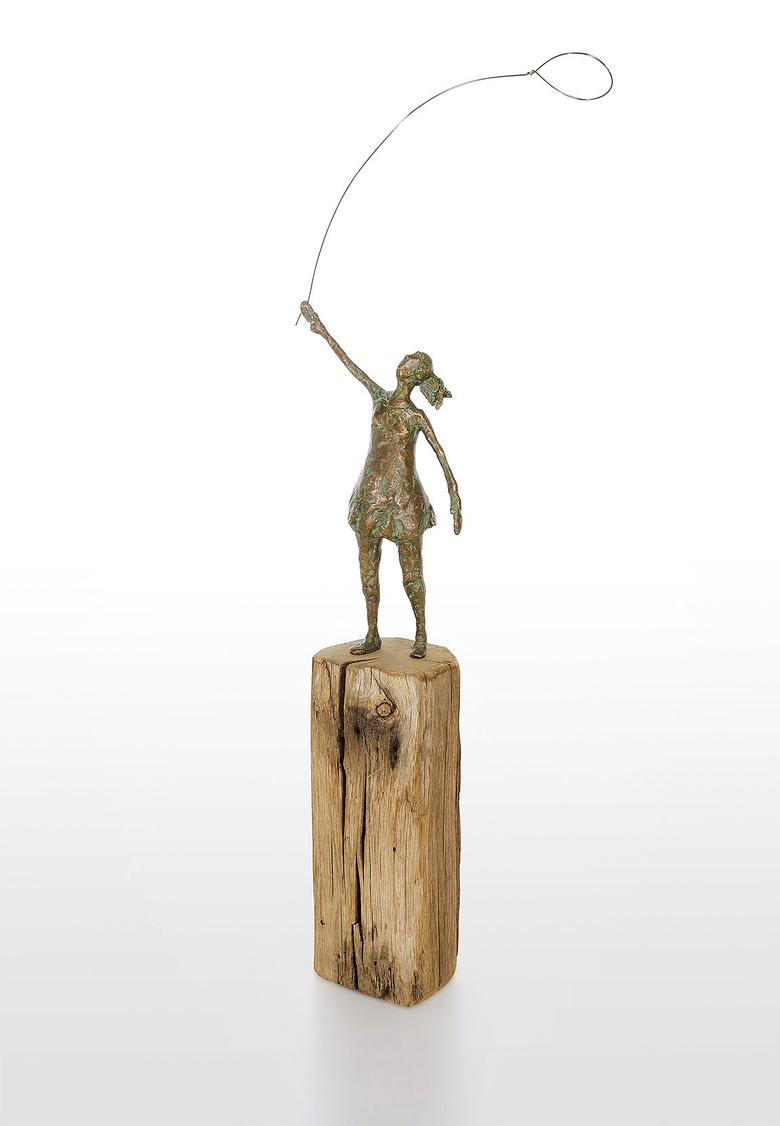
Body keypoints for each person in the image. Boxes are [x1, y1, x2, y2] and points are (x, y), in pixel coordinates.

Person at [301, 301, 462, 659]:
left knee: (411, 574)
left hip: (404, 501)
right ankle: (372, 632)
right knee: (367, 569)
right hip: (371, 496)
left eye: (412, 360)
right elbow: (350, 365)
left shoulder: (416, 416)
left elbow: (441, 456)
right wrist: (321, 329)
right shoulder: (380, 398)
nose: (405, 359)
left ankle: (420, 633)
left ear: (415, 375)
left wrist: (454, 497)